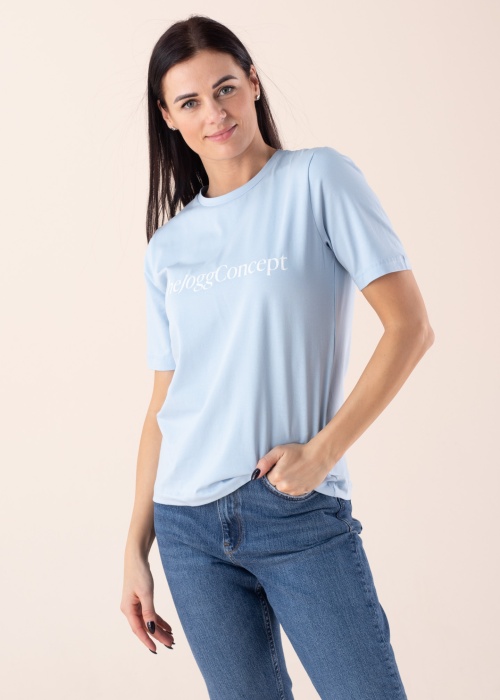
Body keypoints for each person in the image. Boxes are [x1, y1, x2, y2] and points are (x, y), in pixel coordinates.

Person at [120, 14, 434, 700]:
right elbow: (162, 405)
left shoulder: (319, 179)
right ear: (168, 117)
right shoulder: (168, 247)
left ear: (254, 83)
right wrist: (135, 551)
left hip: (294, 509)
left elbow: (410, 328)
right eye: (190, 102)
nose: (215, 113)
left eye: (226, 88)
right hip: (187, 529)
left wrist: (323, 453)